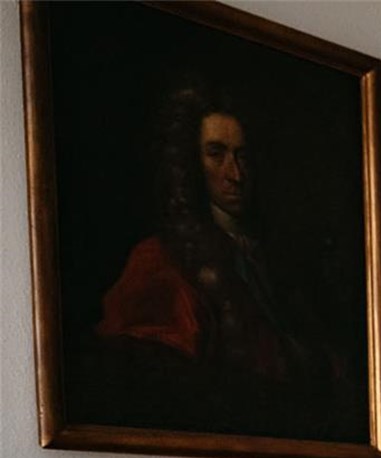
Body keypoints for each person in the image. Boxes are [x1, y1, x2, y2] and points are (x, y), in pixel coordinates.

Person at [90, 83, 352, 439]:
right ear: (190, 163)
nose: (235, 174)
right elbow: (155, 383)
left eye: (242, 156)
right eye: (216, 154)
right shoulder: (159, 258)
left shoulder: (274, 258)